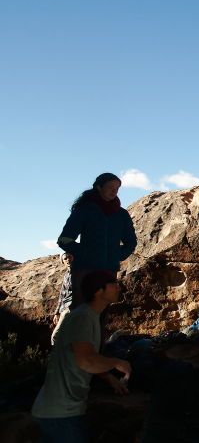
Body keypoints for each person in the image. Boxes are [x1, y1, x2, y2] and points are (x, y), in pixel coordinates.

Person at [32, 270, 132, 443]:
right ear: (98, 291)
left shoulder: (87, 315)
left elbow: (80, 356)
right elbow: (86, 360)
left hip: (58, 411)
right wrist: (116, 363)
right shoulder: (83, 318)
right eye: (113, 284)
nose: (118, 287)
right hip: (60, 414)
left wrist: (109, 378)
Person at [57, 173, 137, 309]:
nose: (114, 191)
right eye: (110, 187)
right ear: (99, 187)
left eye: (117, 188)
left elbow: (131, 242)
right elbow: (64, 239)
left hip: (108, 272)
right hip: (84, 271)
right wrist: (84, 252)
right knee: (81, 312)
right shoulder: (84, 210)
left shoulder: (121, 214)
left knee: (103, 313)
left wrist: (117, 254)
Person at [51, 253, 74, 345]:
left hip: (71, 307)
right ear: (63, 261)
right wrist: (56, 312)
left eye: (69, 257)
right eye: (65, 258)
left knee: (55, 336)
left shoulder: (78, 273)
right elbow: (62, 294)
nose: (68, 260)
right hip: (65, 308)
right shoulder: (66, 275)